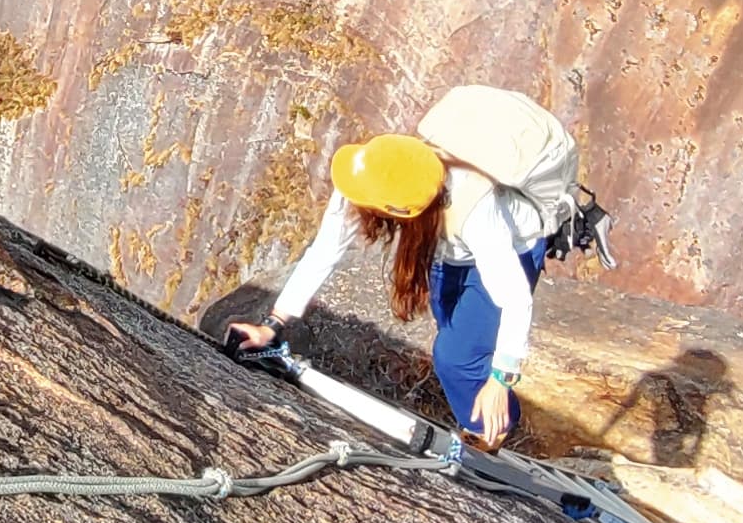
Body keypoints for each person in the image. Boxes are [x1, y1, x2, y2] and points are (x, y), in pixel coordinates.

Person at [230, 85, 582, 451]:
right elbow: (325, 249)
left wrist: (502, 377)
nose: (353, 202)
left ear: (400, 210)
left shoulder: (473, 203)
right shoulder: (376, 172)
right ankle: (487, 414)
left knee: (456, 358)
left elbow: (514, 297)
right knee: (456, 334)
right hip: (448, 247)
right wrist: (273, 324)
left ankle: (489, 439)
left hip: (514, 244)